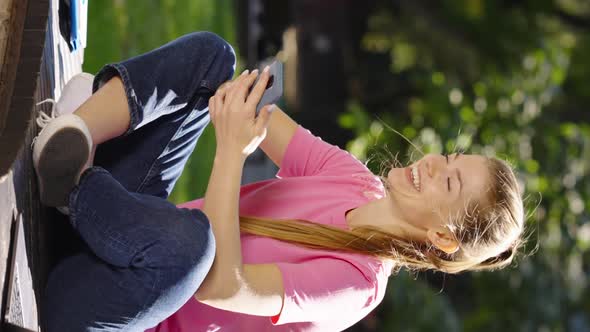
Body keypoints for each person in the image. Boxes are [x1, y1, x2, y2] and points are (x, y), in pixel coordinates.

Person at [33, 31, 525, 332]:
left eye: (451, 183)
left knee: (196, 248)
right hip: (112, 232)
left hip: (101, 305)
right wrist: (241, 98)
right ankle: (70, 137)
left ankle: (70, 183)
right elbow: (252, 112)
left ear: (442, 238)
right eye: (452, 157)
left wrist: (231, 150)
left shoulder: (356, 287)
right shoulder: (355, 182)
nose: (435, 163)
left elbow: (222, 287)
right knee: (214, 59)